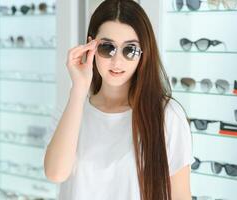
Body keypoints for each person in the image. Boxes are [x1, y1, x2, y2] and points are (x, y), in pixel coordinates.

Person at [43, 0, 192, 199]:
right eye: (107, 48)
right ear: (91, 46)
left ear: (143, 53)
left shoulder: (167, 114)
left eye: (130, 50)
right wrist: (79, 89)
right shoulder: (72, 106)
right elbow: (55, 173)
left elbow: (180, 195)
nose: (117, 61)